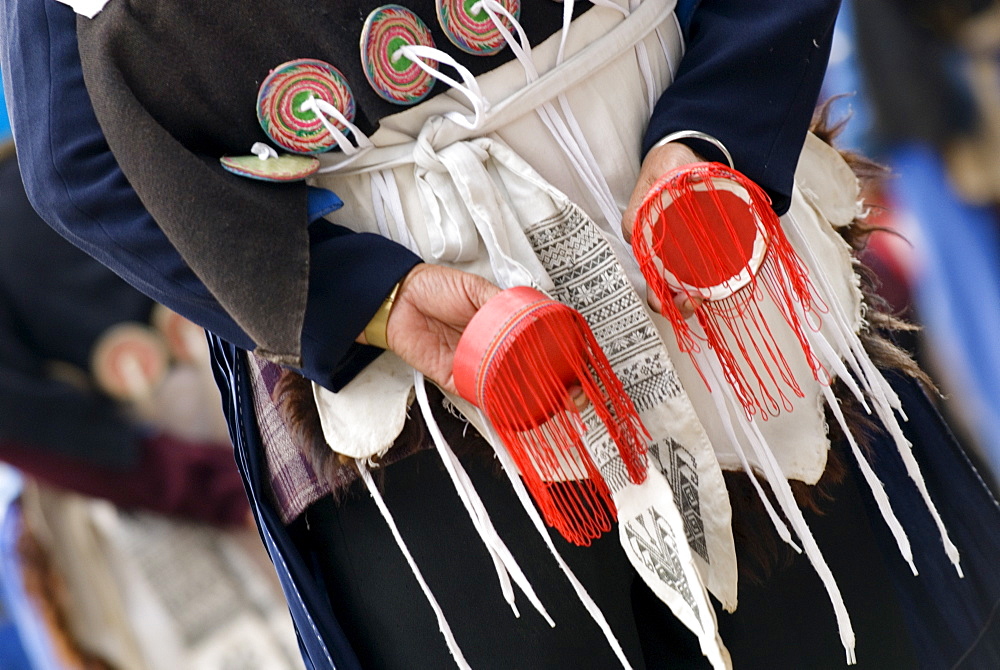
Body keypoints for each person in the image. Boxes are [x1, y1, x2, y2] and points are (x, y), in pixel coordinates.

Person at [3, 1, 998, 668]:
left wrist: (719, 129)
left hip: (686, 231)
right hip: (444, 361)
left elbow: (78, 161)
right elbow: (81, 162)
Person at [0, 141, 249, 527]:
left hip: (233, 382)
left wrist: (226, 492)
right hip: (206, 413)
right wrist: (227, 491)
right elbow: (48, 434)